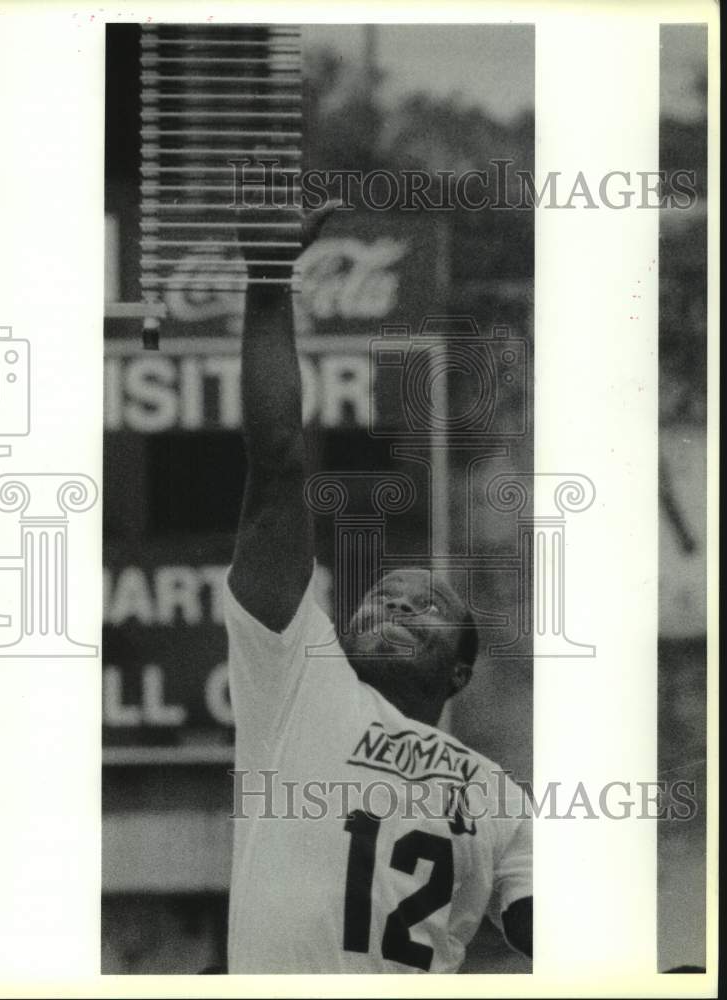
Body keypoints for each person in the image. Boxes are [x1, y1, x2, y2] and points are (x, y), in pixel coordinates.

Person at [224, 203, 532, 973]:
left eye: (426, 606)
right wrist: (267, 283)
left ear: (460, 670)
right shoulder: (298, 679)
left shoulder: (498, 794)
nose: (395, 604)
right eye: (381, 598)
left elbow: (560, 933)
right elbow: (276, 460)